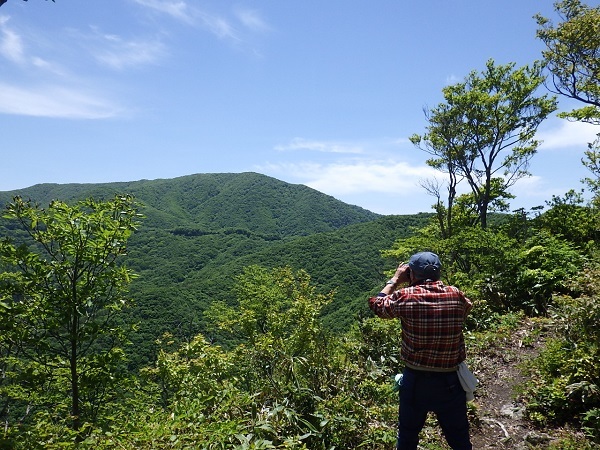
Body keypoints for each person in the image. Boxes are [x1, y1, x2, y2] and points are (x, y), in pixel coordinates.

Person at [368, 251, 473, 450]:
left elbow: (377, 305)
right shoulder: (456, 294)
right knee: (459, 439)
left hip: (415, 380)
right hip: (451, 381)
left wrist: (396, 280)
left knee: (408, 437)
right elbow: (467, 307)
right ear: (438, 272)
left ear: (411, 274)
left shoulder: (405, 296)